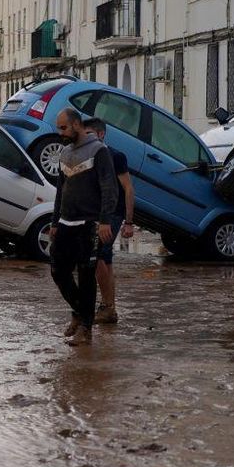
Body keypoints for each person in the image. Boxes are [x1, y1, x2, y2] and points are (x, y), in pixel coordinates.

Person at [49, 108, 118, 346]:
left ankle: (86, 329)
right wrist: (55, 222)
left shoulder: (99, 151)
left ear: (77, 125)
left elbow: (110, 188)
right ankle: (80, 312)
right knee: (58, 271)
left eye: (64, 128)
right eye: (59, 128)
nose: (60, 133)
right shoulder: (65, 153)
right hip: (66, 222)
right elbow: (60, 190)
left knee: (87, 275)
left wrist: (105, 221)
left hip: (90, 224)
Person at [83, 117, 135, 325]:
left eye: (89, 134)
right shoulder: (87, 156)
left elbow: (129, 189)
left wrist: (128, 222)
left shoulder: (115, 156)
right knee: (106, 260)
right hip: (96, 214)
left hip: (112, 214)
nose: (85, 138)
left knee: (98, 258)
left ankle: (106, 307)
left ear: (100, 134)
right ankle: (109, 308)